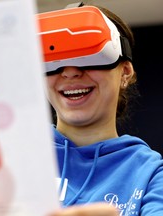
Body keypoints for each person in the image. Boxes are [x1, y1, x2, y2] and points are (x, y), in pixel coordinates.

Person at [37, 2, 163, 216]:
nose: (70, 72)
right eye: (54, 57)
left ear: (125, 73)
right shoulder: (12, 157)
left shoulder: (151, 174)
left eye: (89, 55)